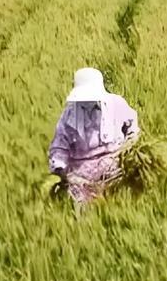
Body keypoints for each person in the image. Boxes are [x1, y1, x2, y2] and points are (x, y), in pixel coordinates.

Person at [48, 68, 141, 207]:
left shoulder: (116, 105)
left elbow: (132, 127)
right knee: (81, 206)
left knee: (127, 199)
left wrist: (129, 150)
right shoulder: (69, 115)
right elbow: (59, 147)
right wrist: (63, 172)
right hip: (81, 176)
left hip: (114, 170)